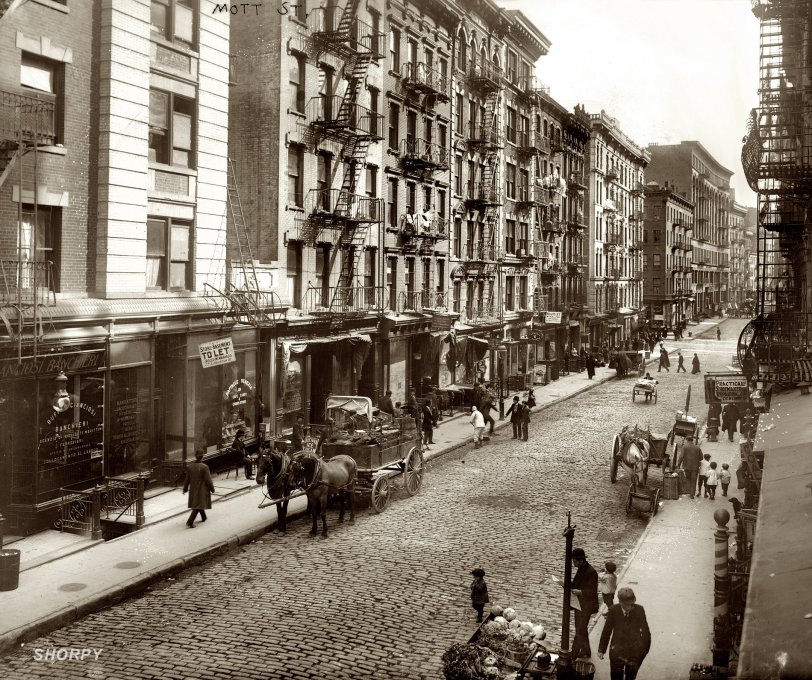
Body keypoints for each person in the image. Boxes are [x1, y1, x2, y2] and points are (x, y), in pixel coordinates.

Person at [598, 587, 651, 680]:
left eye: (632, 604)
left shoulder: (639, 610)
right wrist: (602, 649)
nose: (630, 607)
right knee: (616, 677)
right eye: (627, 605)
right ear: (621, 602)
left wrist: (643, 651)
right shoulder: (613, 610)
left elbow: (646, 633)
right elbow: (607, 631)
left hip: (634, 653)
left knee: (630, 677)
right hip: (616, 651)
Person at [570, 547, 600, 660]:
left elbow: (592, 592)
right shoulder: (581, 568)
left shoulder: (591, 572)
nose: (573, 563)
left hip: (586, 606)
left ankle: (572, 655)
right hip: (579, 605)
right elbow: (577, 583)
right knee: (581, 629)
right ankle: (586, 652)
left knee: (580, 630)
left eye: (575, 561)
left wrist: (580, 592)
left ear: (581, 560)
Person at [183, 448, 215, 528]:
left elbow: (187, 479)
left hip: (193, 489)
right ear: (202, 456)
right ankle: (190, 522)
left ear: (195, 456)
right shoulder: (204, 467)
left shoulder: (190, 467)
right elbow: (208, 480)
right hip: (202, 489)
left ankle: (204, 517)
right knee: (198, 505)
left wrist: (185, 488)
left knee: (199, 503)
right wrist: (212, 489)